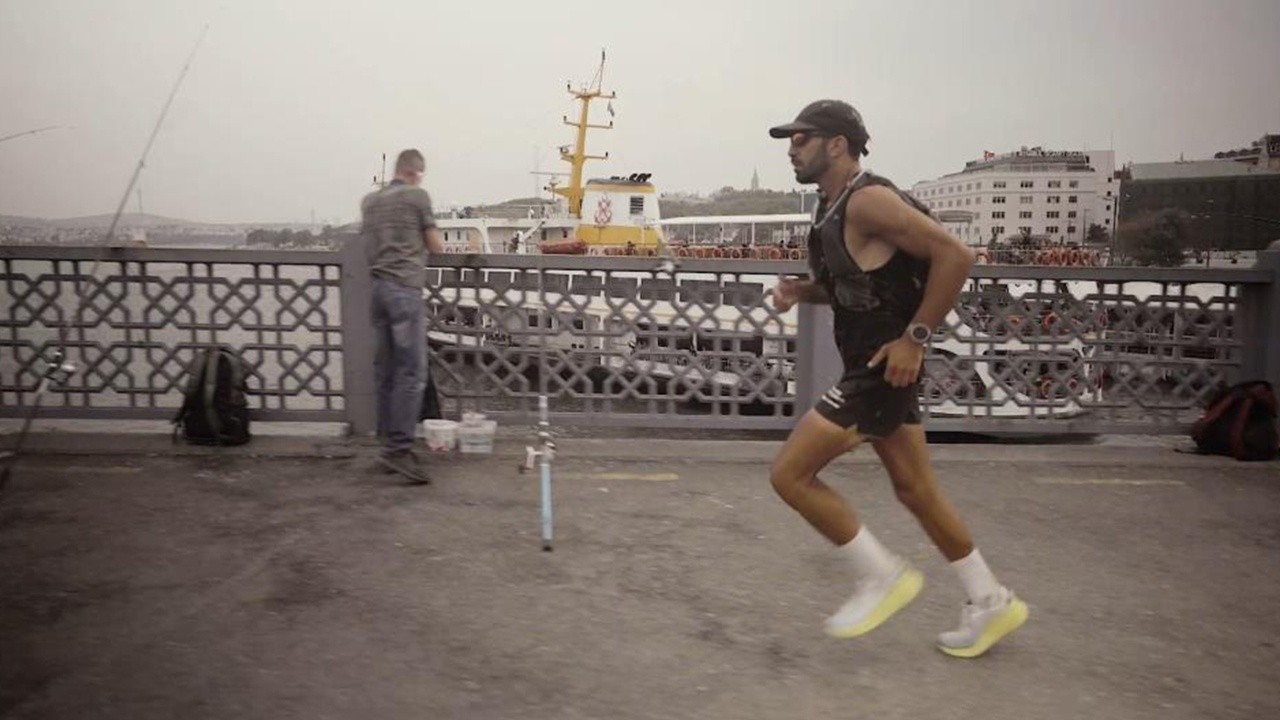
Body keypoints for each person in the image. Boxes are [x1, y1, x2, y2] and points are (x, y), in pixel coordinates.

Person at [767, 100, 1027, 658]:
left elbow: (955, 255)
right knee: (916, 490)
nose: (791, 147)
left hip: (884, 367)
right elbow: (856, 284)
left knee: (790, 475)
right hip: (875, 363)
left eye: (802, 138)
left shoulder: (868, 200)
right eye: (790, 139)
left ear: (838, 144)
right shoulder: (831, 206)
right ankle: (990, 601)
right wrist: (801, 290)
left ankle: (881, 578)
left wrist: (916, 338)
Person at [360, 148, 445, 483]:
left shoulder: (370, 202)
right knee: (412, 372)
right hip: (405, 292)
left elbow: (368, 248)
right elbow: (436, 245)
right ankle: (399, 450)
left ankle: (386, 445)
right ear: (416, 171)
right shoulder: (418, 197)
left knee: (386, 371)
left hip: (377, 291)